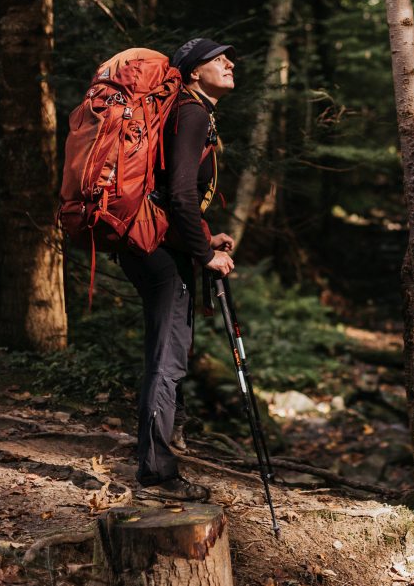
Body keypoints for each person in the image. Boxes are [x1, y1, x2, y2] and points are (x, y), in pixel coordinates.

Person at [120, 37, 238, 502]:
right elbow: (182, 195)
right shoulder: (191, 113)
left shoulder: (190, 111)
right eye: (216, 59)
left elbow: (167, 190)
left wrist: (203, 239)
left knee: (164, 355)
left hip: (152, 243)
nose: (229, 62)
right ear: (192, 73)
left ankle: (161, 453)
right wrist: (206, 255)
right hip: (158, 251)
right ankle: (157, 476)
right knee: (166, 361)